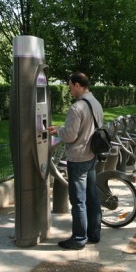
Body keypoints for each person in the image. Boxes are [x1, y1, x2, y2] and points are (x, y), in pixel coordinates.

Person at [47, 72, 102, 250]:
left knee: (78, 200)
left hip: (78, 157)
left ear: (78, 85)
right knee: (92, 197)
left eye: (70, 86)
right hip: (92, 154)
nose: (70, 90)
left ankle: (79, 238)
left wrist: (58, 131)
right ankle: (94, 233)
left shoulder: (76, 108)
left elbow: (70, 136)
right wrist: (62, 128)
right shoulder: (96, 103)